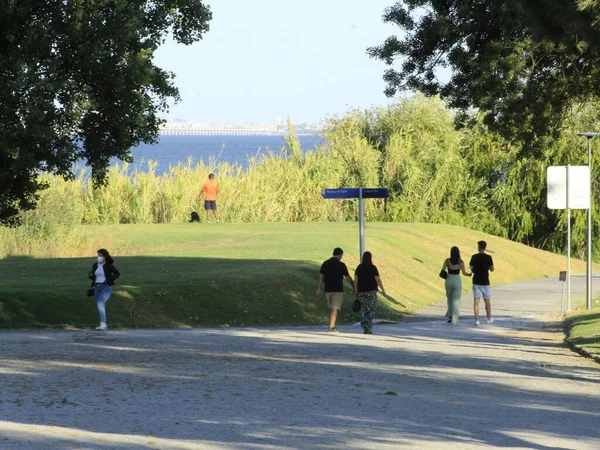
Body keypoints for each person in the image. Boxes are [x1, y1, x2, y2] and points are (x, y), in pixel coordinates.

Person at [316, 247, 355, 333]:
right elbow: (348, 277)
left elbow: (321, 276)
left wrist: (318, 288)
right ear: (340, 254)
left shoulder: (325, 263)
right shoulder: (341, 265)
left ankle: (332, 325)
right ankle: (331, 327)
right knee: (334, 308)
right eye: (342, 255)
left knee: (332, 308)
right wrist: (353, 285)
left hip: (328, 289)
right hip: (337, 289)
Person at [88, 248, 120, 331]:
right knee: (100, 305)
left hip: (105, 287)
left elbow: (117, 274)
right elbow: (93, 278)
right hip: (96, 287)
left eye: (101, 256)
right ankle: (102, 324)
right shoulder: (95, 265)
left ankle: (103, 324)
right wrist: (91, 275)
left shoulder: (108, 265)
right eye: (98, 256)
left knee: (100, 303)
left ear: (105, 257)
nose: (99, 257)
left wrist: (109, 280)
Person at [354, 251, 386, 334]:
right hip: (371, 291)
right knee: (372, 309)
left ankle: (367, 328)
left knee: (365, 309)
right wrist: (383, 290)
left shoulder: (359, 267)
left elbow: (356, 281)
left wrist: (356, 291)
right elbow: (377, 280)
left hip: (361, 292)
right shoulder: (373, 267)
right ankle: (366, 323)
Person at [441, 246, 471, 325]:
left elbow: (443, 270)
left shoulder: (447, 261)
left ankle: (450, 316)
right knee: (456, 299)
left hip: (449, 279)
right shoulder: (461, 262)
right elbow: (464, 273)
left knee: (449, 299)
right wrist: (469, 274)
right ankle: (455, 318)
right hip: (457, 280)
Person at [469, 240, 495, 326]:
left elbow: (471, 268)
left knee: (476, 301)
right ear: (485, 247)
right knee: (487, 301)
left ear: (478, 247)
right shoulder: (488, 257)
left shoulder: (474, 257)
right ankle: (488, 318)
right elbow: (492, 269)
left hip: (476, 281)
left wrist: (474, 271)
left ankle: (476, 320)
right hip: (485, 281)